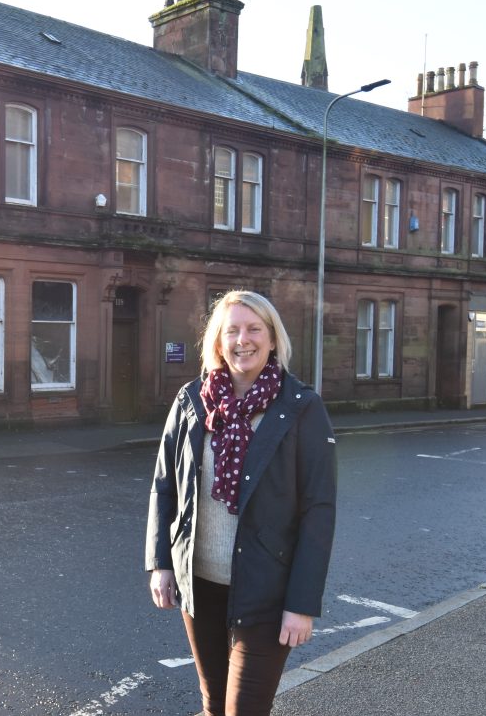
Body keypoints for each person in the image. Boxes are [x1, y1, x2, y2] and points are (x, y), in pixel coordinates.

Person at [145, 290, 337, 716]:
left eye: (254, 329)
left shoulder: (301, 407)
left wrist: (302, 605)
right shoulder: (192, 400)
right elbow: (165, 486)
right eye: (231, 330)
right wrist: (160, 563)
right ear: (217, 340)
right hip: (201, 582)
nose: (242, 339)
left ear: (272, 339)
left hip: (267, 588)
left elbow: (318, 511)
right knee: (213, 704)